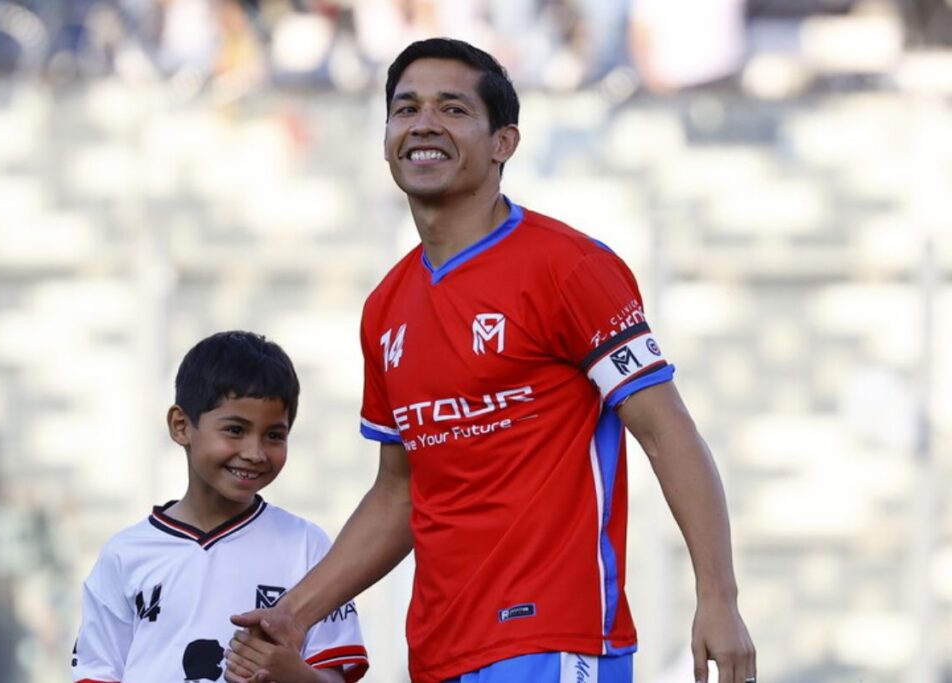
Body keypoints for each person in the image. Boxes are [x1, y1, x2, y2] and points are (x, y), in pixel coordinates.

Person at [229, 38, 755, 683]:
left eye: (452, 109)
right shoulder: (386, 308)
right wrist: (295, 613)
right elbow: (400, 492)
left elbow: (666, 430)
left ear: (504, 142)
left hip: (556, 640)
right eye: (405, 108)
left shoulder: (569, 267)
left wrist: (718, 599)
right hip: (437, 651)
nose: (423, 123)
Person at [72, 331, 369, 683]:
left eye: (274, 435)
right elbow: (97, 671)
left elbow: (333, 677)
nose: (255, 452)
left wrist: (294, 675)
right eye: (235, 430)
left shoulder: (308, 547)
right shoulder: (125, 554)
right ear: (181, 426)